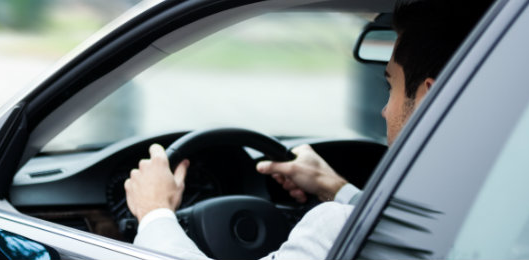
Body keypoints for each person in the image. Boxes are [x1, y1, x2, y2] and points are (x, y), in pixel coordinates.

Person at [123, 0, 494, 259]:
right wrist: (336, 188)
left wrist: (155, 212)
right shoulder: (502, 214)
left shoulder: (335, 230)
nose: (384, 110)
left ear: (433, 101)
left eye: (390, 86)